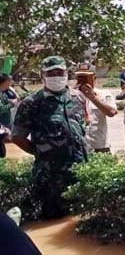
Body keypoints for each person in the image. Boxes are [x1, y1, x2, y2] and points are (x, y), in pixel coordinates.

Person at [11, 56, 88, 219]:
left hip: (81, 171)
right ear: (43, 76)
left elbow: (84, 126)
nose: (56, 76)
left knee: (80, 217)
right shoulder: (31, 103)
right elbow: (17, 137)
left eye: (60, 72)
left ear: (67, 73)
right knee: (53, 219)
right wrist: (40, 152)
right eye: (51, 73)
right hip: (51, 177)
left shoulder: (77, 97)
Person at [77, 71, 118, 153]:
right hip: (79, 146)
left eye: (86, 78)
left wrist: (93, 98)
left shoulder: (104, 94)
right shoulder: (71, 96)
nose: (83, 81)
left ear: (94, 78)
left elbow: (112, 112)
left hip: (99, 145)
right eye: (80, 77)